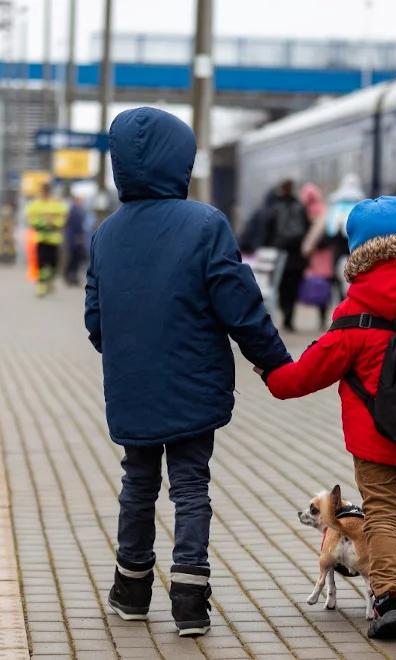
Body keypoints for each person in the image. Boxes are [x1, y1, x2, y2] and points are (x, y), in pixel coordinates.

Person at [85, 107, 291, 637]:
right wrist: (275, 364)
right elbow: (239, 304)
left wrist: (127, 353)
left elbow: (95, 317)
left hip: (132, 385)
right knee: (190, 487)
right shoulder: (204, 224)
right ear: (180, 162)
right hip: (193, 383)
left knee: (137, 483)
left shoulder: (107, 233)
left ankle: (130, 592)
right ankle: (190, 604)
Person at [265, 196, 396, 639]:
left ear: (356, 249)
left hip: (374, 440)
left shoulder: (354, 312)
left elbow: (303, 375)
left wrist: (272, 374)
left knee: (382, 514)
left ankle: (388, 597)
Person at [267, 180, 311, 331]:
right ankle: (289, 317)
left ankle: (284, 312)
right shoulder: (300, 207)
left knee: (281, 286)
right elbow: (307, 227)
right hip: (297, 254)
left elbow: (269, 229)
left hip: (280, 253)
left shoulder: (274, 206)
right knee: (294, 287)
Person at [299, 182, 336, 326]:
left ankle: (319, 313)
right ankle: (323, 316)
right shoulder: (323, 209)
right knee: (325, 284)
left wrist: (306, 248)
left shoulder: (306, 211)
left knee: (317, 284)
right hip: (327, 253)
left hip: (315, 254)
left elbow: (312, 236)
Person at [25, 182, 68, 296]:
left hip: (54, 239)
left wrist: (53, 223)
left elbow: (63, 218)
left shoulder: (57, 204)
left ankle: (50, 281)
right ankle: (41, 286)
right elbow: (30, 218)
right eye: (43, 191)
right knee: (41, 264)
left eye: (47, 191)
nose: (45, 193)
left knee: (54, 264)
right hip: (41, 239)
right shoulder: (35, 204)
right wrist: (43, 223)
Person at [62, 194, 91, 286]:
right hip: (75, 239)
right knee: (74, 259)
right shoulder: (76, 211)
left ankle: (71, 277)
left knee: (74, 259)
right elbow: (78, 226)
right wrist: (80, 238)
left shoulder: (73, 210)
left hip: (73, 238)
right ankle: (71, 277)